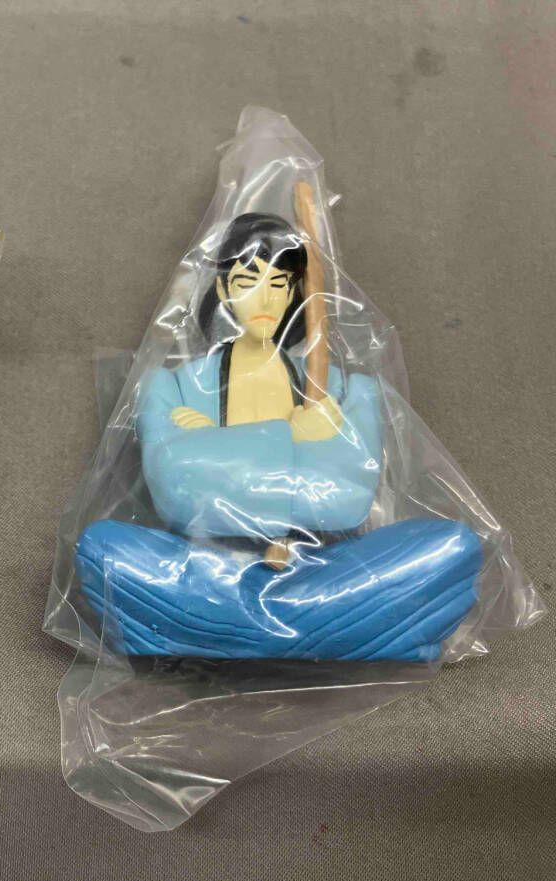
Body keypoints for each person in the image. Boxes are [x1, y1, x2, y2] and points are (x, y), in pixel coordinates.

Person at [75, 213, 481, 662]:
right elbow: (177, 490)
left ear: (295, 293)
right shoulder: (170, 386)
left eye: (279, 284)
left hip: (318, 567)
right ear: (224, 289)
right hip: (211, 568)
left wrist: (212, 447)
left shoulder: (346, 390)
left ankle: (222, 633)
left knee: (452, 547)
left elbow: (348, 498)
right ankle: (332, 630)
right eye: (248, 281)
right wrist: (297, 438)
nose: (265, 298)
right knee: (104, 549)